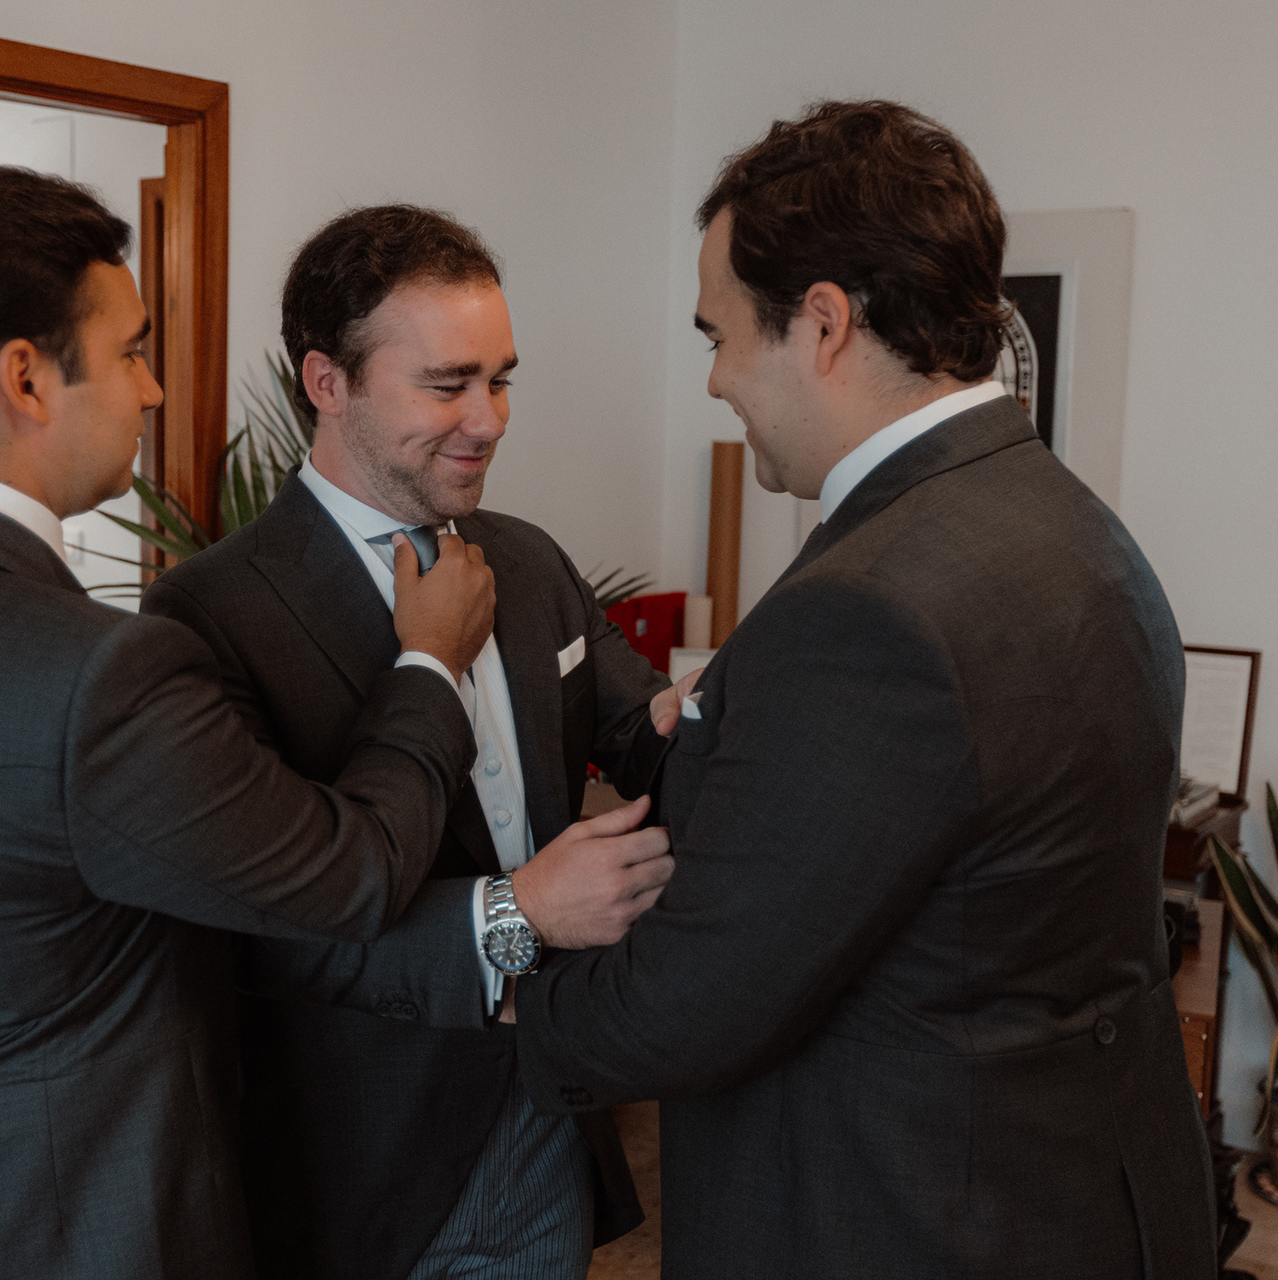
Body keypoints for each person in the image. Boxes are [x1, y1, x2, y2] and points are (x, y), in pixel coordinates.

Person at [0, 165, 498, 1280]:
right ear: (25, 378)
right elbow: (352, 874)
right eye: (130, 352)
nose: (156, 390)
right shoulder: (97, 675)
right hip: (71, 1223)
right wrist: (429, 662)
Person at [506, 101, 1217, 1278]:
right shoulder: (1074, 525)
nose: (716, 381)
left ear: (824, 323)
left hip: (909, 1219)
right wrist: (727, 732)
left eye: (720, 335)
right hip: (1086, 1197)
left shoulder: (867, 608)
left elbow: (692, 1005)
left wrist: (475, 967)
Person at [144, 205, 679, 1280]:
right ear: (326, 381)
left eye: (502, 379)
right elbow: (252, 930)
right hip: (354, 1167)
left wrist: (735, 713)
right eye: (447, 384)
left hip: (547, 1114)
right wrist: (516, 915)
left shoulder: (529, 560)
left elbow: (643, 731)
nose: (490, 419)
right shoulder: (205, 616)